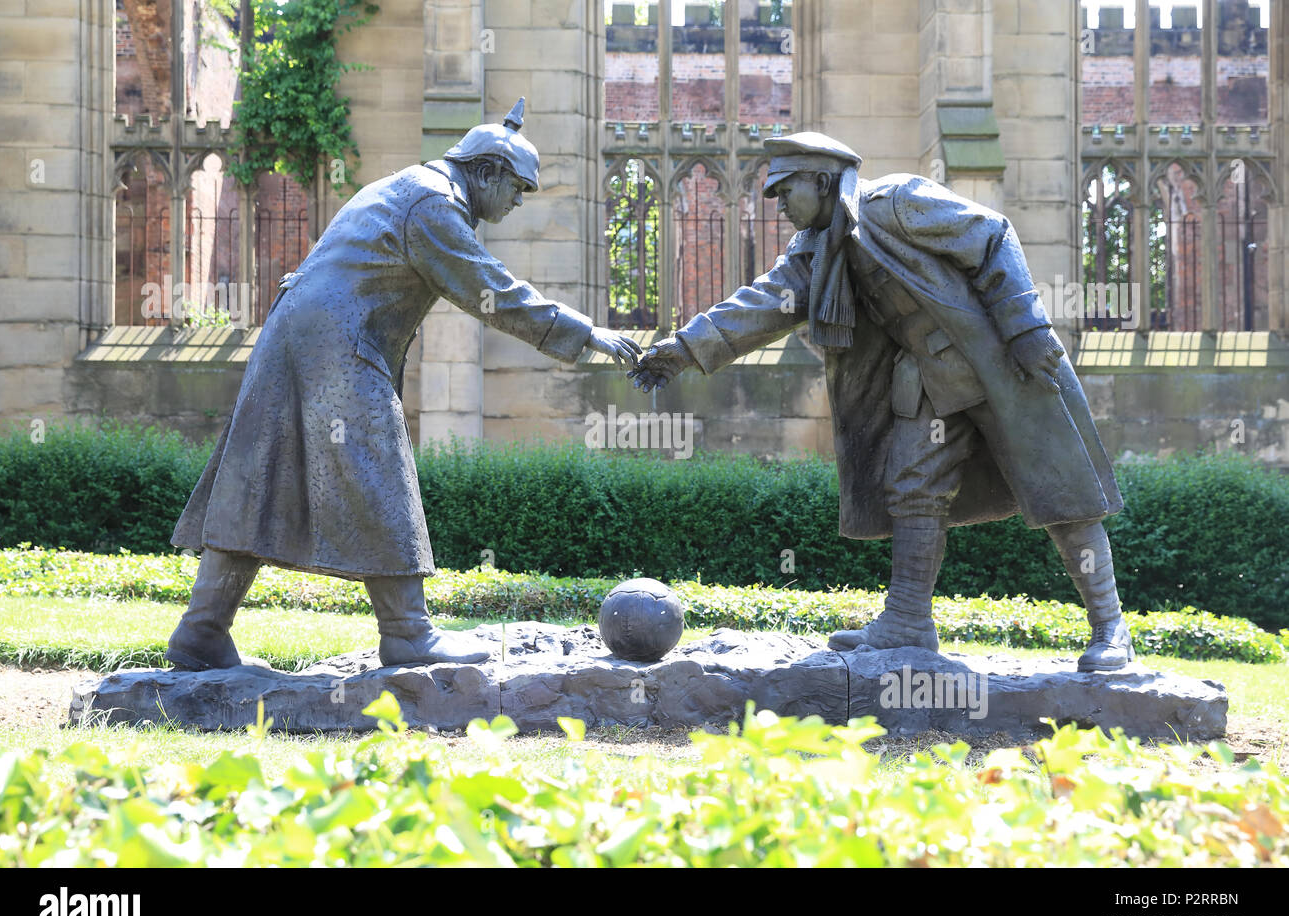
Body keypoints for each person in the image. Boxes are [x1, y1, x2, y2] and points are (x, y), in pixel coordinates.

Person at [630, 131, 1133, 673]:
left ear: (821, 181)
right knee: (912, 487)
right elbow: (758, 305)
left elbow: (992, 234)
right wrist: (681, 350)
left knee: (1059, 490)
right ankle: (909, 621)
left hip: (997, 362)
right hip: (926, 381)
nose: (778, 205)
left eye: (784, 190)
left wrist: (1027, 326)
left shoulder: (894, 201)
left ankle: (1112, 629)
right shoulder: (815, 251)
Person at [168, 100, 640, 671]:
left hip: (293, 337)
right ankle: (408, 632)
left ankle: (201, 632)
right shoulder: (434, 206)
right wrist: (587, 333)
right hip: (338, 347)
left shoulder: (408, 185)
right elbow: (491, 289)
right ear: (486, 171)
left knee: (260, 477)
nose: (518, 203)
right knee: (379, 469)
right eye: (517, 188)